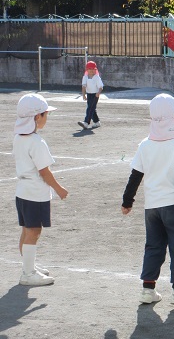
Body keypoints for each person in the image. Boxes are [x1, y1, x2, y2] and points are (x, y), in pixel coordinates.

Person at [122, 93, 174, 307]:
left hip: (152, 207)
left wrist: (127, 201)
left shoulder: (145, 144)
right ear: (173, 118)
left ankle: (148, 288)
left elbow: (135, 175)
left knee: (153, 247)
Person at [14, 93, 68, 286]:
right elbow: (44, 171)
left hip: (22, 191)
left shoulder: (18, 138)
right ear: (37, 117)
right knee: (34, 231)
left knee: (26, 229)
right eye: (46, 114)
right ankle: (28, 273)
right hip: (35, 192)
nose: (47, 117)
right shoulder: (37, 142)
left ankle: (28, 266)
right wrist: (59, 189)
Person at [78, 61, 104, 130]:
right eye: (90, 69)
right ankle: (97, 122)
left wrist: (98, 93)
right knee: (92, 109)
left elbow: (101, 87)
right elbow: (83, 86)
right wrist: (84, 95)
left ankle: (86, 122)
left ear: (95, 70)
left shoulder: (97, 77)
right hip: (89, 94)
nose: (91, 70)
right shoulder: (85, 77)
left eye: (93, 69)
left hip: (95, 95)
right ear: (87, 69)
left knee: (90, 108)